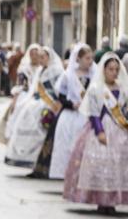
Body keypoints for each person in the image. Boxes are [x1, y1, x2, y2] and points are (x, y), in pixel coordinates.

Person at [63, 53, 128, 213]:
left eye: (116, 69)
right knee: (101, 161)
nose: (113, 72)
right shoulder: (96, 89)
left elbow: (127, 110)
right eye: (110, 69)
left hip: (120, 129)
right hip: (101, 127)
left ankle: (114, 200)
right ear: (103, 70)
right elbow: (94, 113)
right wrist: (99, 132)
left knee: (120, 164)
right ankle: (101, 200)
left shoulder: (123, 89)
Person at [39, 43, 93, 180]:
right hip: (70, 115)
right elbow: (61, 95)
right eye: (87, 58)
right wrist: (71, 104)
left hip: (87, 115)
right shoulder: (68, 75)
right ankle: (65, 173)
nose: (90, 61)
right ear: (78, 59)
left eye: (91, 58)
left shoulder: (95, 75)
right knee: (67, 145)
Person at [4, 46, 63, 168]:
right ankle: (28, 156)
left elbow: (58, 90)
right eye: (39, 57)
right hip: (37, 101)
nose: (40, 60)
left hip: (50, 103)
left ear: (49, 57)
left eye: (43, 57)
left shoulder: (57, 71)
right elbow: (34, 88)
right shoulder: (40, 70)